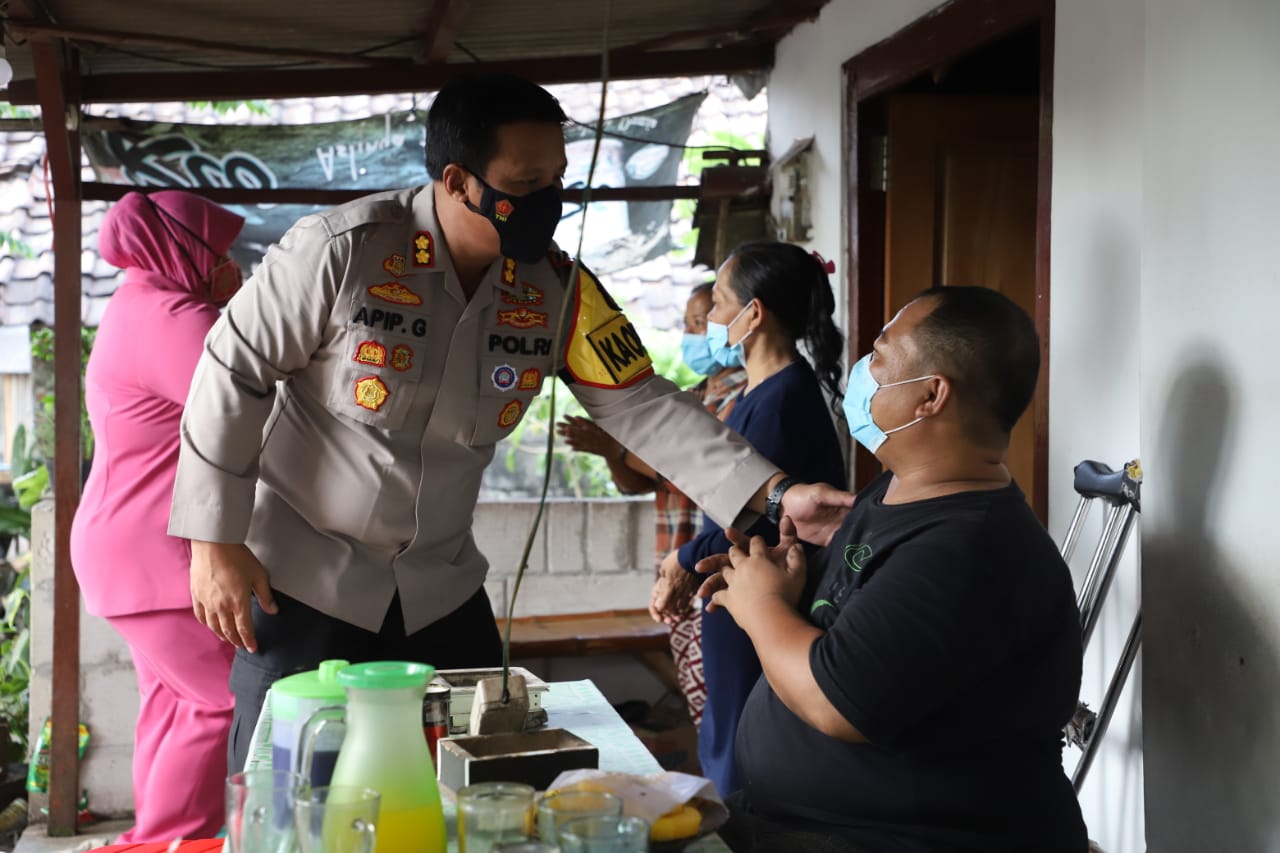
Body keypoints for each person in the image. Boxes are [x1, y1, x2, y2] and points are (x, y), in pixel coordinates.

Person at [167, 71, 853, 772]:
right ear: (458, 180)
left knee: (484, 781)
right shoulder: (341, 251)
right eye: (526, 185)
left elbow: (640, 401)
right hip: (306, 583)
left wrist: (775, 493)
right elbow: (232, 371)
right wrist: (212, 541)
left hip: (440, 592)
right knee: (292, 786)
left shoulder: (558, 288)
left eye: (557, 180)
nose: (547, 202)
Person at [699, 286, 1088, 852]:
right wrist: (788, 576)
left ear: (930, 395)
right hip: (802, 819)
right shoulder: (897, 492)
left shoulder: (967, 549)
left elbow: (834, 701)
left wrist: (761, 606)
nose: (864, 369)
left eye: (879, 355)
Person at [70, 190, 246, 842]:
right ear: (184, 249)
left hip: (123, 541)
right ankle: (174, 840)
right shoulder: (174, 316)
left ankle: (156, 837)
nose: (229, 265)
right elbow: (246, 411)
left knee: (173, 702)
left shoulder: (135, 303)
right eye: (219, 251)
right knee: (220, 700)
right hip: (156, 549)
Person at [650, 242, 848, 796]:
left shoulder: (783, 400)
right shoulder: (762, 392)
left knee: (744, 738)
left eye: (717, 303)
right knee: (728, 730)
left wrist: (684, 558)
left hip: (761, 593)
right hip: (739, 591)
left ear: (753, 314)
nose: (710, 320)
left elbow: (750, 517)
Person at [557, 282, 748, 727]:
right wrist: (611, 452)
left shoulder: (742, 397)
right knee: (702, 704)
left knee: (719, 706)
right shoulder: (690, 397)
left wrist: (617, 446)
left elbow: (691, 470)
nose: (691, 334)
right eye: (688, 324)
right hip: (677, 566)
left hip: (711, 569)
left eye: (700, 322)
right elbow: (637, 483)